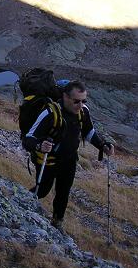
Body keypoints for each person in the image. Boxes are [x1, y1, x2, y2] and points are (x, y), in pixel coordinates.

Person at [22, 80, 113, 229]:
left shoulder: (83, 111)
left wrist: (102, 145)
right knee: (42, 190)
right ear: (65, 96)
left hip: (69, 160)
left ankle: (57, 223)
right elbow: (28, 139)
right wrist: (40, 145)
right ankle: (21, 203)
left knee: (63, 193)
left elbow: (88, 132)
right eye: (76, 101)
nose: (80, 105)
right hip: (48, 161)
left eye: (84, 101)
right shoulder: (50, 113)